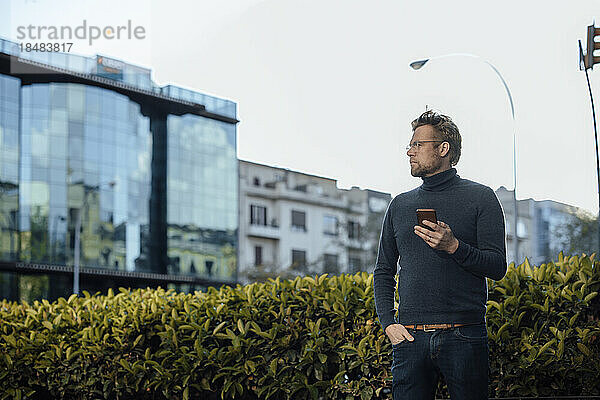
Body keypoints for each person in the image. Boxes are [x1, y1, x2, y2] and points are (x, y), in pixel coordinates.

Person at [373, 110, 507, 399]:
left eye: (418, 145)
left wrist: (454, 247)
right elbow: (383, 270)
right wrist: (388, 323)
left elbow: (497, 266)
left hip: (465, 335)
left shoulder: (481, 197)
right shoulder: (399, 205)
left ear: (443, 148)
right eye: (410, 145)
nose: (410, 151)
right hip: (409, 338)